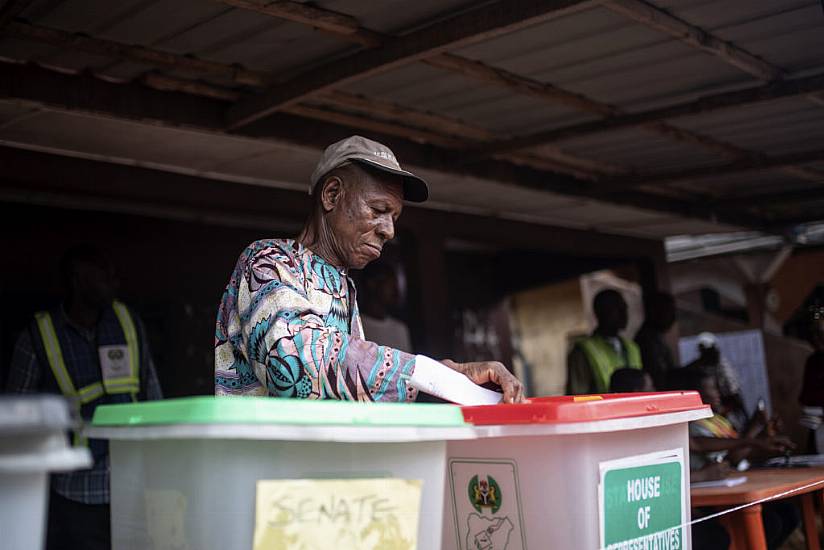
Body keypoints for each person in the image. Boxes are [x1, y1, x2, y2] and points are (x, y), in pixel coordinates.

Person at [214, 135, 524, 404]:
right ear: (332, 195)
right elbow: (297, 368)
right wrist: (433, 376)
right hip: (266, 469)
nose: (389, 230)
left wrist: (450, 378)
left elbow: (350, 383)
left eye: (395, 217)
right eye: (378, 210)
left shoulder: (343, 286)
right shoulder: (268, 261)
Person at [6, 245, 163, 550]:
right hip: (76, 490)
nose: (114, 281)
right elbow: (18, 419)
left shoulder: (126, 321)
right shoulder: (38, 337)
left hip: (130, 482)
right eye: (104, 275)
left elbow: (152, 396)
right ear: (77, 280)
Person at [678, 366, 799, 550]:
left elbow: (734, 448)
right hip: (711, 500)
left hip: (731, 486)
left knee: (788, 514)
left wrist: (760, 437)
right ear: (695, 393)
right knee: (769, 522)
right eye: (713, 388)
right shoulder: (692, 426)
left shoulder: (717, 420)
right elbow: (729, 457)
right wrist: (756, 438)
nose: (719, 393)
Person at [566, 289, 642, 395]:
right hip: (603, 410)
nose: (624, 314)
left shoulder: (632, 347)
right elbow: (577, 396)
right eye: (617, 309)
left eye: (624, 308)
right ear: (601, 312)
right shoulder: (584, 350)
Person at [358, 259, 412, 352]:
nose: (396, 290)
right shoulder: (357, 326)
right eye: (390, 284)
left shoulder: (400, 329)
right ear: (372, 284)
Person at [634, 292, 677, 390]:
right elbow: (660, 375)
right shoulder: (647, 340)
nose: (673, 317)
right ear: (653, 312)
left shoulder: (657, 337)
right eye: (669, 311)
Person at [799, 318, 824, 454]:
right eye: (813, 334)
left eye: (820, 334)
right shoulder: (813, 361)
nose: (816, 339)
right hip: (817, 425)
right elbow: (805, 398)